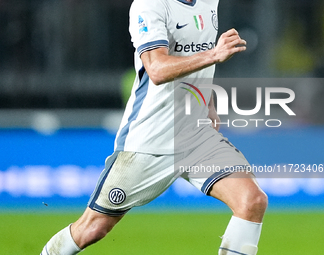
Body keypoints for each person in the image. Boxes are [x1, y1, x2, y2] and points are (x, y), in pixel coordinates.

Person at [40, 0, 268, 254]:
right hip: (150, 141)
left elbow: (200, 57)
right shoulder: (150, 5)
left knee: (252, 201)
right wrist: (215, 53)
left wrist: (209, 105)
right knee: (93, 228)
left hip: (197, 136)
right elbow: (157, 69)